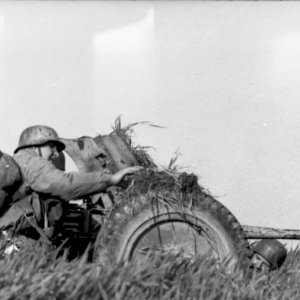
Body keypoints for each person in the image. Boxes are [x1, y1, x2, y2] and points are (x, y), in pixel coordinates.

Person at [0, 125, 142, 241]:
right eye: (52, 146)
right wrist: (110, 179)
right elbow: (65, 185)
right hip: (14, 241)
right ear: (36, 146)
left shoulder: (21, 162)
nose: (56, 153)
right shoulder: (32, 162)